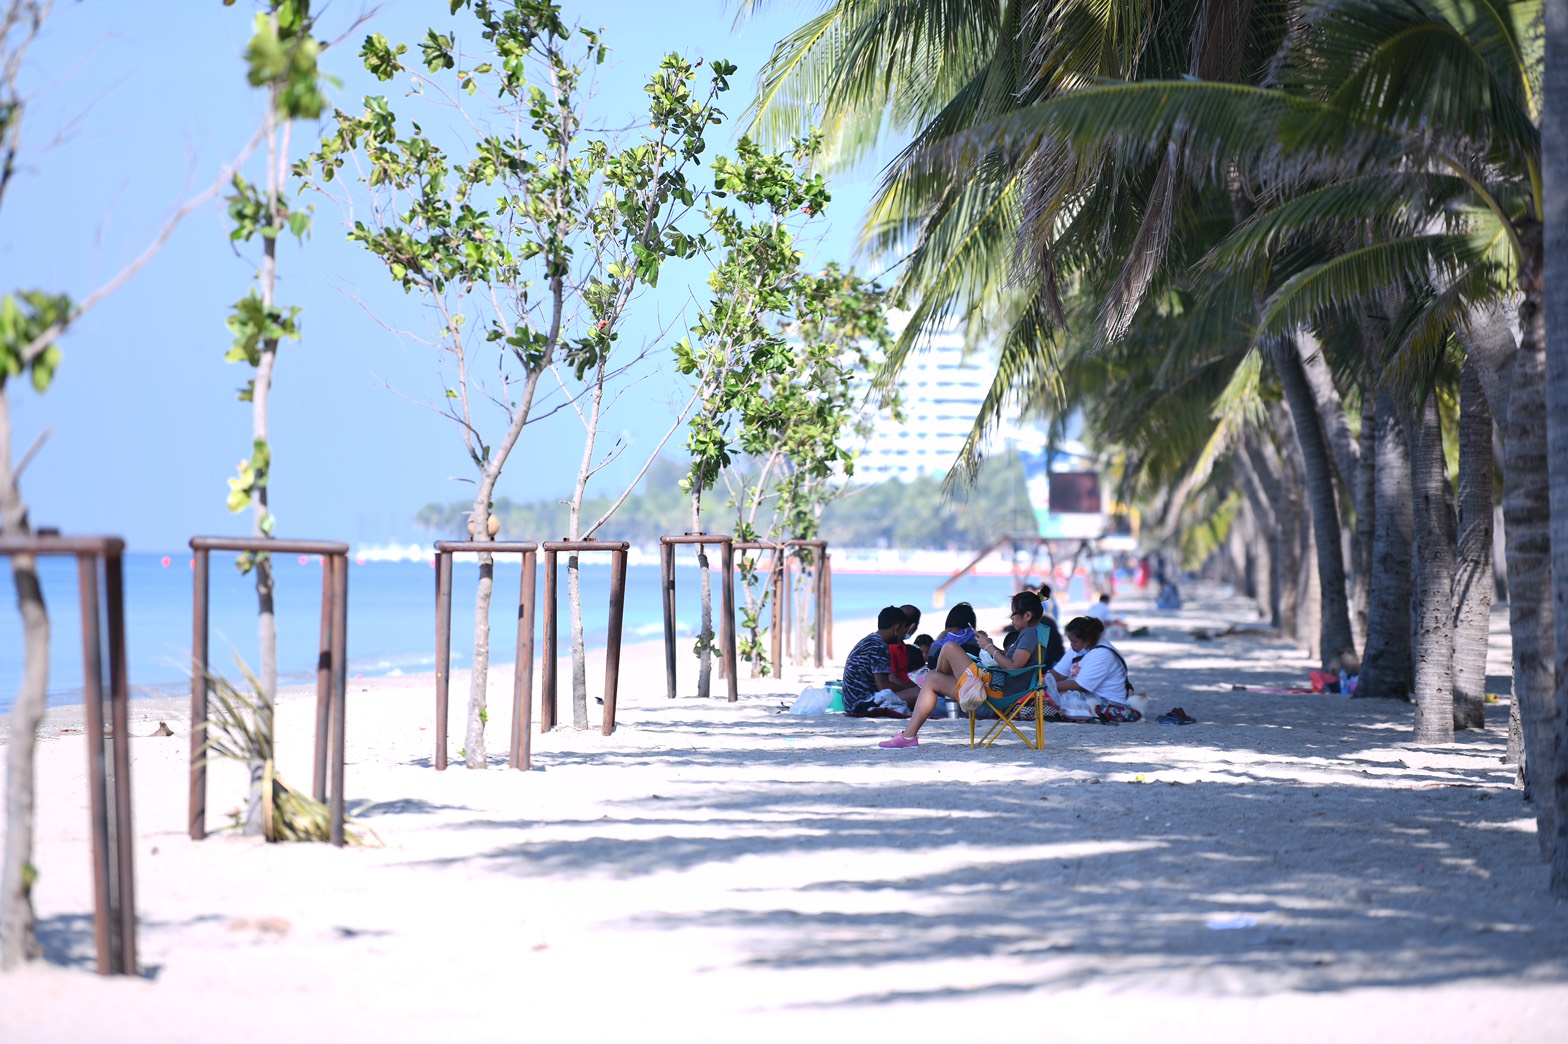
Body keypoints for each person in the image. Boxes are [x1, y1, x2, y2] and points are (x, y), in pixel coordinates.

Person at [879, 591, 1050, 748]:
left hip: (998, 690)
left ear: (1027, 615)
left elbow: (1013, 666)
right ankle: (908, 736)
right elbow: (1013, 662)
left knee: (949, 647)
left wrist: (989, 647)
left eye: (1013, 614)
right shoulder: (1035, 632)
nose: (1011, 619)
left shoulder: (1029, 633)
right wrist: (989, 644)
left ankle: (909, 734)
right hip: (997, 684)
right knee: (933, 677)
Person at [1049, 616, 1138, 721]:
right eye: (1070, 641)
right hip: (1089, 695)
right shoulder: (1079, 647)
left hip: (1109, 702)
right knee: (1051, 695)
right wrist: (1043, 682)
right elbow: (1058, 674)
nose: (1071, 645)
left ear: (1088, 640)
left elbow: (1080, 686)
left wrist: (1048, 686)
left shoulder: (1102, 653)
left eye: (1074, 642)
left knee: (1064, 696)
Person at [841, 606, 912, 718]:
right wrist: (911, 689)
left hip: (851, 704)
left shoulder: (869, 641)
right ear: (896, 628)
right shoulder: (879, 646)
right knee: (921, 694)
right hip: (863, 705)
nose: (903, 636)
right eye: (903, 630)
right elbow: (884, 686)